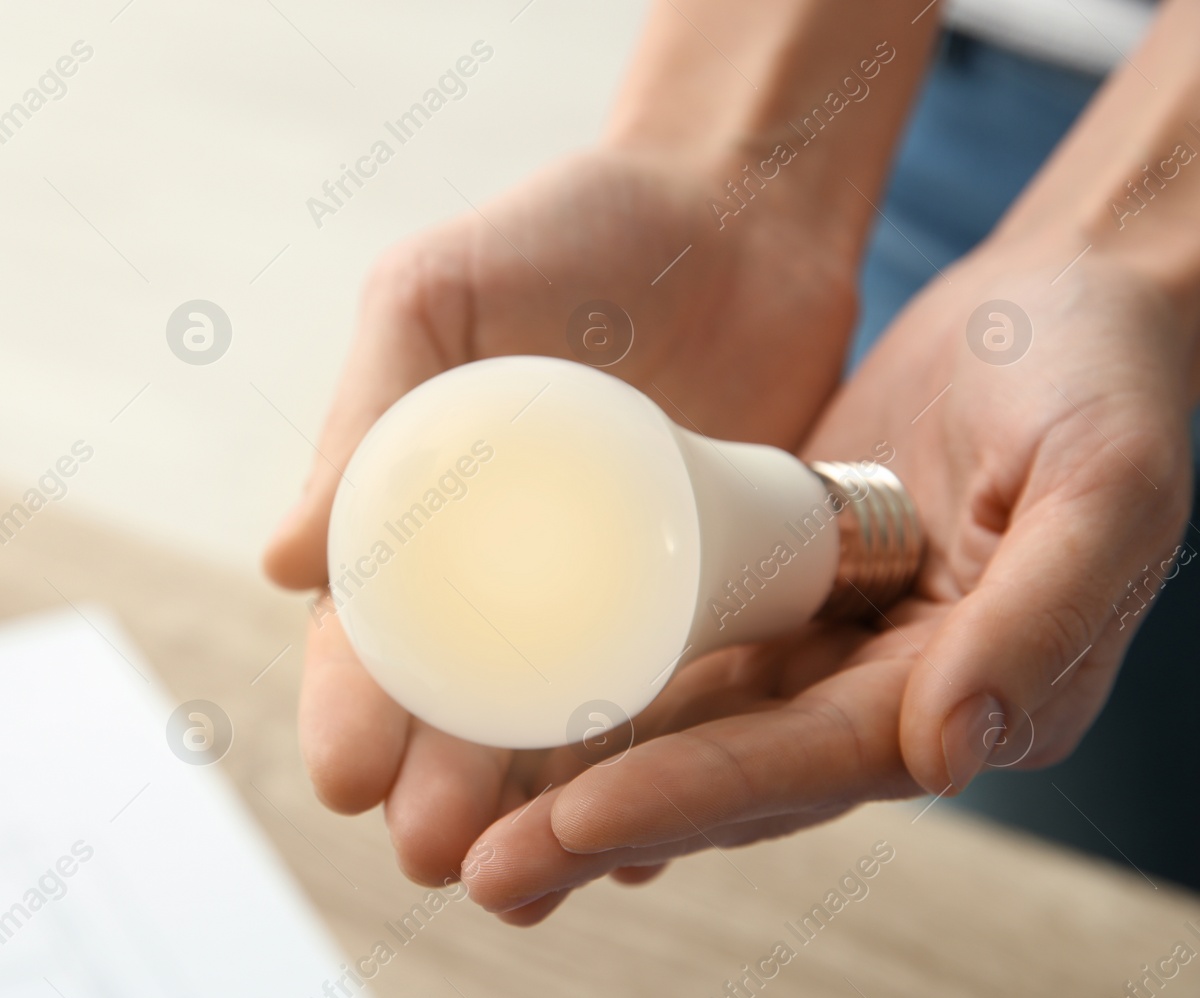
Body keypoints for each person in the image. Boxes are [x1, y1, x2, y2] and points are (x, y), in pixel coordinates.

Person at [264, 0, 1200, 923]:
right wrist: (729, 158)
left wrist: (1136, 246)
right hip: (932, 68)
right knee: (1024, 846)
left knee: (1090, 792)